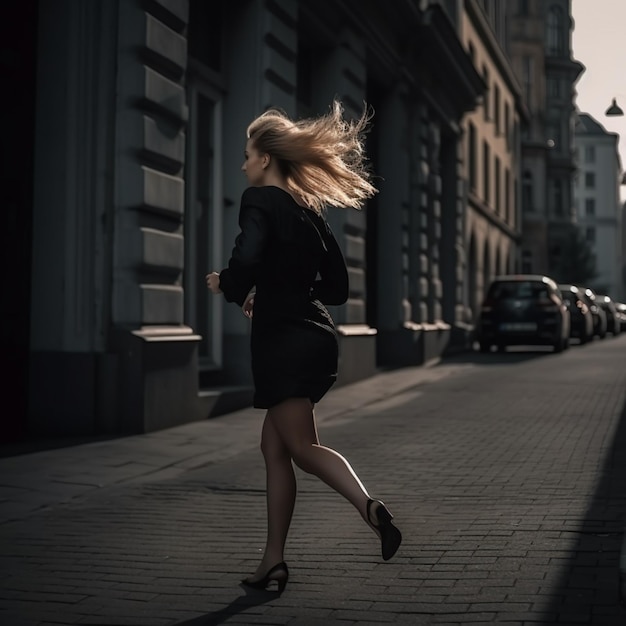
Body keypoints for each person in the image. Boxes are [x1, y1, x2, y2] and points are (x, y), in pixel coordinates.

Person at [206, 100, 401, 593]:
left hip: (283, 342)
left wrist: (226, 283)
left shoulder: (260, 202)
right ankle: (273, 560)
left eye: (247, 154)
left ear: (266, 158)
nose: (244, 163)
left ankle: (369, 508)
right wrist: (276, 292)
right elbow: (336, 287)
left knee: (300, 447)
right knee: (275, 447)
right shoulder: (309, 210)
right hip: (315, 336)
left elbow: (246, 256)